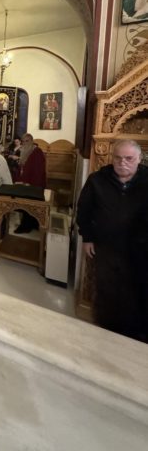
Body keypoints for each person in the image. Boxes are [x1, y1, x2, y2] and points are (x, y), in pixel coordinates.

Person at [76, 140, 148, 342]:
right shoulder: (97, 180)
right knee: (107, 289)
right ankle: (106, 332)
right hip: (106, 246)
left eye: (129, 158)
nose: (122, 162)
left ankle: (134, 337)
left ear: (139, 159)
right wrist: (87, 237)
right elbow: (84, 210)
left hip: (140, 249)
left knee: (136, 290)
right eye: (118, 158)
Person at [14, 133, 46, 233]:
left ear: (32, 141)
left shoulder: (37, 152)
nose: (25, 143)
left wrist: (30, 184)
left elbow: (39, 171)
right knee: (24, 205)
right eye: (23, 141)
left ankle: (26, 226)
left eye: (27, 141)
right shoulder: (24, 151)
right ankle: (31, 224)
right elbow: (22, 167)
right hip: (24, 183)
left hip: (33, 184)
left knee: (30, 206)